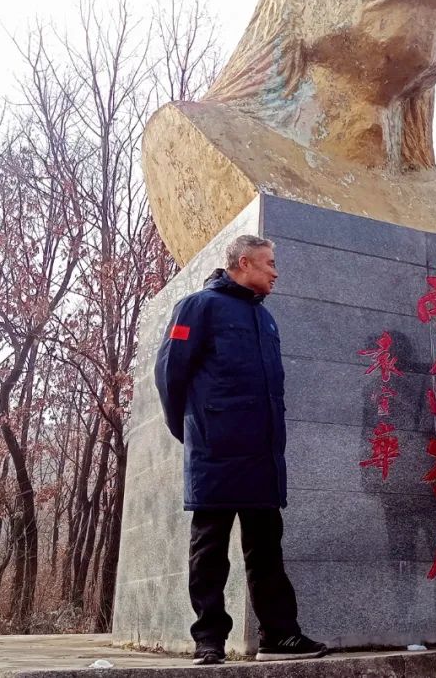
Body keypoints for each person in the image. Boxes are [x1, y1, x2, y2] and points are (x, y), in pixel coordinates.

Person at [155, 235, 327, 664]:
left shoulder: (265, 320)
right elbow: (169, 375)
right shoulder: (198, 306)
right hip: (216, 453)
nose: (276, 271)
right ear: (243, 263)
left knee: (267, 549)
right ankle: (209, 639)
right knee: (210, 549)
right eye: (269, 263)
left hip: (262, 455)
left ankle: (281, 636)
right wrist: (194, 431)